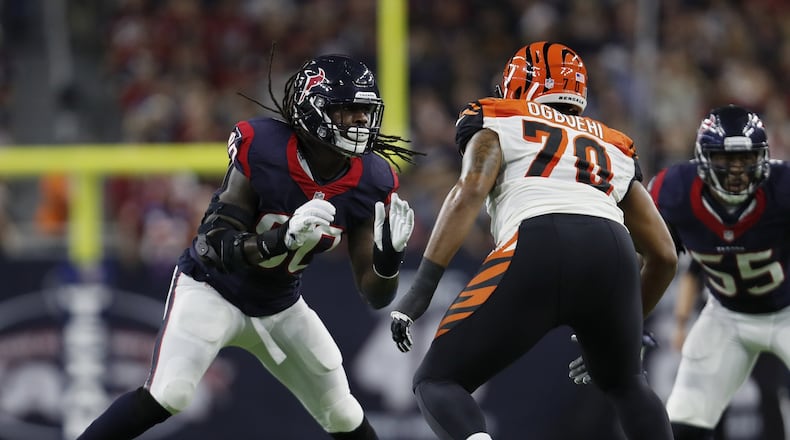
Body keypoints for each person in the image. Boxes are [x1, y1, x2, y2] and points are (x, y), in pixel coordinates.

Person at [77, 54, 420, 440]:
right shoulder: (265, 148)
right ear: (313, 111)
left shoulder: (371, 179)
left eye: (365, 112)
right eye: (349, 111)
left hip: (280, 304)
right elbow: (212, 245)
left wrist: (389, 260)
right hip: (213, 289)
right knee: (168, 394)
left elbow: (374, 294)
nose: (361, 122)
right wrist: (281, 239)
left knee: (342, 413)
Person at [388, 41, 678, 440]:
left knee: (437, 382)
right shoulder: (614, 142)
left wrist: (420, 289)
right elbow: (663, 254)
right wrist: (630, 322)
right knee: (627, 383)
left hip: (537, 240)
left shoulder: (498, 116)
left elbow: (471, 189)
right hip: (613, 250)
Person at [647, 104, 790, 440]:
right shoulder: (673, 192)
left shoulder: (783, 188)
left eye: (746, 159)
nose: (738, 170)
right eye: (726, 159)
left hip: (786, 311)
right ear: (703, 158)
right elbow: (645, 257)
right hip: (726, 316)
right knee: (684, 419)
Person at [673, 261, 787, 440]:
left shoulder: (762, 236)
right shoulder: (712, 239)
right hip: (722, 322)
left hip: (766, 316)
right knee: (711, 400)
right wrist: (681, 323)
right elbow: (690, 275)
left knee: (769, 390)